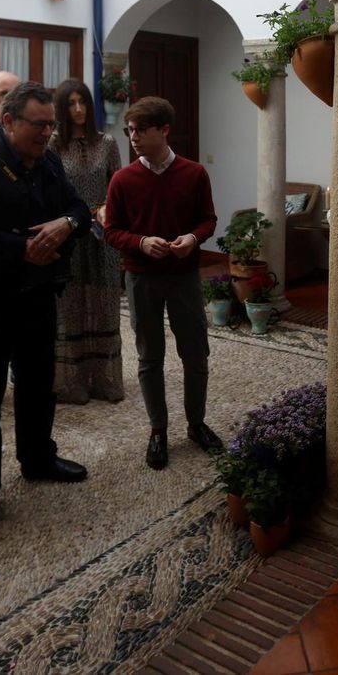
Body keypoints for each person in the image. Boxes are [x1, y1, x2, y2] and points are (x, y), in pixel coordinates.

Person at [0, 81, 92, 535]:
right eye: (39, 125)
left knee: (37, 384)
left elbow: (80, 209)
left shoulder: (47, 163)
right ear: (8, 122)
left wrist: (66, 225)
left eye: (52, 125)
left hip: (36, 296)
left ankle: (37, 459)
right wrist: (20, 249)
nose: (48, 133)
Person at [103, 96, 223, 471]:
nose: (133, 137)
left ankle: (196, 423)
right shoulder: (123, 179)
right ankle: (158, 429)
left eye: (141, 129)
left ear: (164, 130)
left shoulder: (194, 173)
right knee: (149, 357)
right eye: (130, 130)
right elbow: (111, 231)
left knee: (195, 354)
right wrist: (139, 242)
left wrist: (192, 237)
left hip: (184, 277)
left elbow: (208, 220)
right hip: (141, 279)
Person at [50, 79, 125, 404]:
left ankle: (105, 380)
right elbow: (48, 191)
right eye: (71, 103)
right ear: (61, 108)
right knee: (70, 306)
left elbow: (118, 187)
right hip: (68, 235)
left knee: (104, 304)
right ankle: (71, 382)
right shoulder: (53, 145)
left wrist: (108, 209)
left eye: (83, 102)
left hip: (101, 236)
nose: (78, 109)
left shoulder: (107, 142)